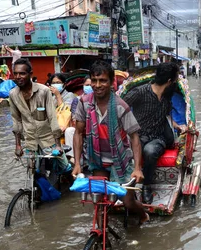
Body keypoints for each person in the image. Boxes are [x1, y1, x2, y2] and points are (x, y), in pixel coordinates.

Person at [72, 60, 148, 223]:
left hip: (120, 160)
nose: (97, 85)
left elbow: (134, 137)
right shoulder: (84, 103)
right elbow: (78, 132)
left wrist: (137, 168)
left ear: (111, 81)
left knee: (127, 202)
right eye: (94, 80)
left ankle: (143, 215)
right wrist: (77, 163)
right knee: (99, 202)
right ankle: (100, 236)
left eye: (103, 81)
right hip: (97, 159)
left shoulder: (121, 106)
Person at [123, 62, 179, 205]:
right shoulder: (140, 92)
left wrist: (181, 126)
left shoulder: (166, 98)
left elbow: (167, 118)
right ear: (169, 81)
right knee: (133, 149)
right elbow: (120, 107)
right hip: (138, 136)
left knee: (149, 151)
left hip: (157, 138)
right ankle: (128, 187)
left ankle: (147, 187)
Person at [9, 58, 70, 173]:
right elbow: (16, 120)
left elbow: (52, 117)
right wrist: (18, 145)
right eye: (15, 73)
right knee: (32, 172)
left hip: (48, 139)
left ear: (30, 74)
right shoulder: (13, 94)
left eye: (22, 73)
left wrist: (57, 145)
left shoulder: (44, 91)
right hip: (30, 140)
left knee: (65, 168)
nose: (18, 76)